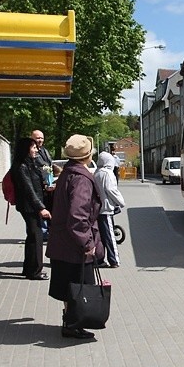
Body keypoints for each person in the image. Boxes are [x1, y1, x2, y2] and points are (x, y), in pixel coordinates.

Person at [46, 134, 104, 339]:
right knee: (79, 286)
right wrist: (87, 243)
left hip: (63, 243)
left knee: (70, 287)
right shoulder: (81, 178)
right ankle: (73, 324)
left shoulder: (68, 172)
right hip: (74, 246)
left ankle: (70, 321)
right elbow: (78, 216)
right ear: (88, 156)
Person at [11, 138, 52, 280]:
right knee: (36, 236)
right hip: (30, 207)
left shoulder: (30, 163)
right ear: (25, 149)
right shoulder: (21, 166)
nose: (36, 150)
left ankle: (28, 268)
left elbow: (36, 184)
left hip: (32, 205)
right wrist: (40, 208)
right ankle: (35, 271)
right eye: (33, 147)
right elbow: (28, 190)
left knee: (32, 236)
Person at [94, 151, 126, 268]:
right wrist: (121, 202)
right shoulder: (107, 174)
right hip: (106, 209)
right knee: (110, 236)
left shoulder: (96, 173)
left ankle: (99, 259)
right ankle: (114, 260)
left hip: (98, 209)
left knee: (101, 237)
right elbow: (111, 190)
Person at [31, 130, 53, 239]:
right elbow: (42, 165)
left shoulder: (44, 150)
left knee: (47, 206)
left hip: (45, 185)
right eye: (37, 138)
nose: (40, 140)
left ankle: (46, 231)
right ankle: (41, 233)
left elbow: (49, 164)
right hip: (37, 185)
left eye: (41, 138)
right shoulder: (31, 152)